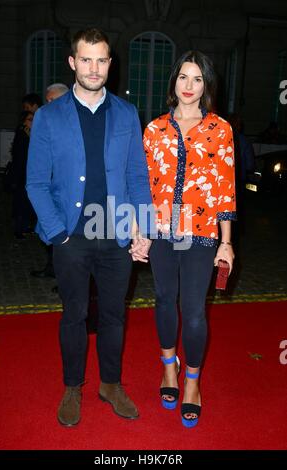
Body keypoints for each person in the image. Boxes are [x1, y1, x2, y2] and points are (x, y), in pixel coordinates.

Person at [26, 28, 152, 427]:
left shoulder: (127, 113)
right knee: (74, 315)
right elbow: (36, 182)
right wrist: (57, 233)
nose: (93, 68)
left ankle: (110, 384)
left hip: (116, 234)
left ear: (110, 65)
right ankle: (73, 386)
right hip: (72, 238)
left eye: (101, 60)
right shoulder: (48, 117)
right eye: (86, 59)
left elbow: (137, 176)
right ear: (72, 62)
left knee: (115, 315)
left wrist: (142, 229)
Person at [143, 50, 236, 428]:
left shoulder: (220, 130)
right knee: (164, 301)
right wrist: (140, 229)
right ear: (173, 81)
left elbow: (225, 189)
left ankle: (192, 383)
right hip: (163, 232)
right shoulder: (153, 129)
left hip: (201, 236)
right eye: (184, 77)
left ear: (207, 85)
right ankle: (169, 368)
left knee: (194, 312)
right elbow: (143, 185)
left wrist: (226, 242)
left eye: (198, 79)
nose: (189, 86)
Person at [30, 83, 69, 279]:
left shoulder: (71, 124)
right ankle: (53, 270)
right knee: (49, 234)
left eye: (52, 100)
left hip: (66, 196)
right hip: (49, 192)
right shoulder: (46, 120)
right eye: (47, 100)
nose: (48, 104)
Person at [11, 110, 35, 238]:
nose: (32, 122)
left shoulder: (29, 134)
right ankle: (19, 229)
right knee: (21, 203)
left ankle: (25, 227)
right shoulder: (22, 134)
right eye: (29, 119)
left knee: (28, 202)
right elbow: (20, 157)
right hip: (22, 175)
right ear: (24, 121)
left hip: (28, 173)